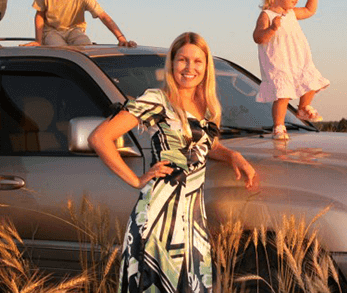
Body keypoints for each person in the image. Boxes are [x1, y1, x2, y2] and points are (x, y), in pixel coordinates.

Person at [88, 32, 257, 293]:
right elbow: (100, 137)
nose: (190, 68)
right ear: (172, 64)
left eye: (197, 61)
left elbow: (203, 146)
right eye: (183, 60)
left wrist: (232, 155)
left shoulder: (208, 106)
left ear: (206, 66)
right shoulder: (157, 100)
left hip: (193, 220)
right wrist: (136, 180)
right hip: (160, 216)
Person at [252, 0, 330, 140]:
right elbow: (258, 37)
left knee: (312, 83)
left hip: (298, 60)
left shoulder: (292, 13)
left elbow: (310, 10)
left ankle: (303, 107)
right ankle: (279, 126)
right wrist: (272, 28)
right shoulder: (267, 16)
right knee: (282, 96)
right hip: (279, 64)